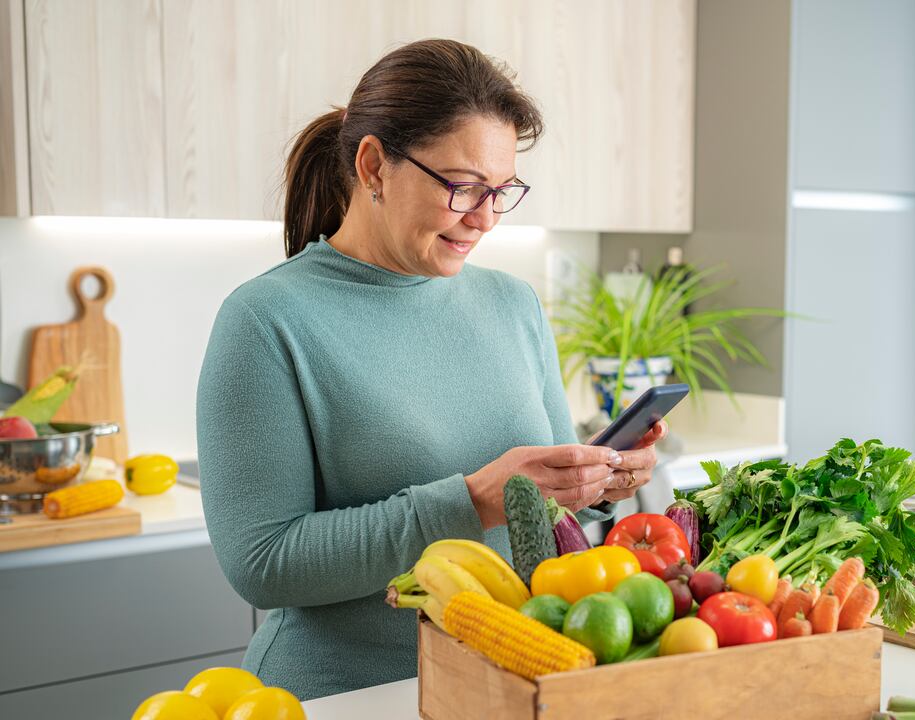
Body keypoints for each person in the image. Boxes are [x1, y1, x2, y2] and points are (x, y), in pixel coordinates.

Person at [196, 38, 664, 700]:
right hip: (344, 697)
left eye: (501, 191)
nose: (485, 218)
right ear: (373, 166)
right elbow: (263, 564)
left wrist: (594, 482)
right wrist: (472, 502)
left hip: (503, 687)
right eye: (463, 187)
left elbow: (545, 529)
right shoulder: (265, 320)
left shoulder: (513, 304)